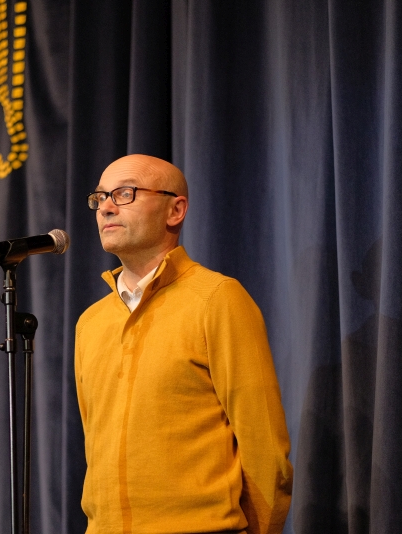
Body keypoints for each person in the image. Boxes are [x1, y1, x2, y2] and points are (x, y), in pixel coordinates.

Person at [74, 154, 293, 534]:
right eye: (100, 197)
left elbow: (264, 448)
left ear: (175, 210)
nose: (106, 207)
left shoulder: (217, 299)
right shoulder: (91, 322)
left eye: (124, 194)